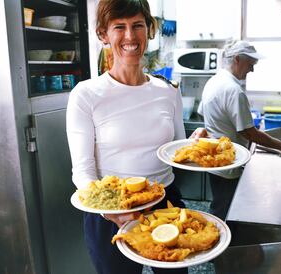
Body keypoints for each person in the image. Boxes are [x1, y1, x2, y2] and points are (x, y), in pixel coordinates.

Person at [66, 1, 205, 273]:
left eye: (137, 25)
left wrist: (195, 147)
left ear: (149, 30)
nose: (130, 36)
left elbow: (176, 153)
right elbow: (83, 172)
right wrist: (111, 211)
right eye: (119, 27)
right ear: (103, 34)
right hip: (109, 212)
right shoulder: (86, 95)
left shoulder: (168, 91)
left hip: (166, 204)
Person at [197, 40, 281, 220]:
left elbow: (201, 114)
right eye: (251, 64)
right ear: (237, 59)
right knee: (225, 211)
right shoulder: (234, 90)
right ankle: (223, 244)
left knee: (220, 205)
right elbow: (249, 133)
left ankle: (222, 239)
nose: (252, 70)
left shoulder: (213, 81)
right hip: (229, 164)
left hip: (215, 160)